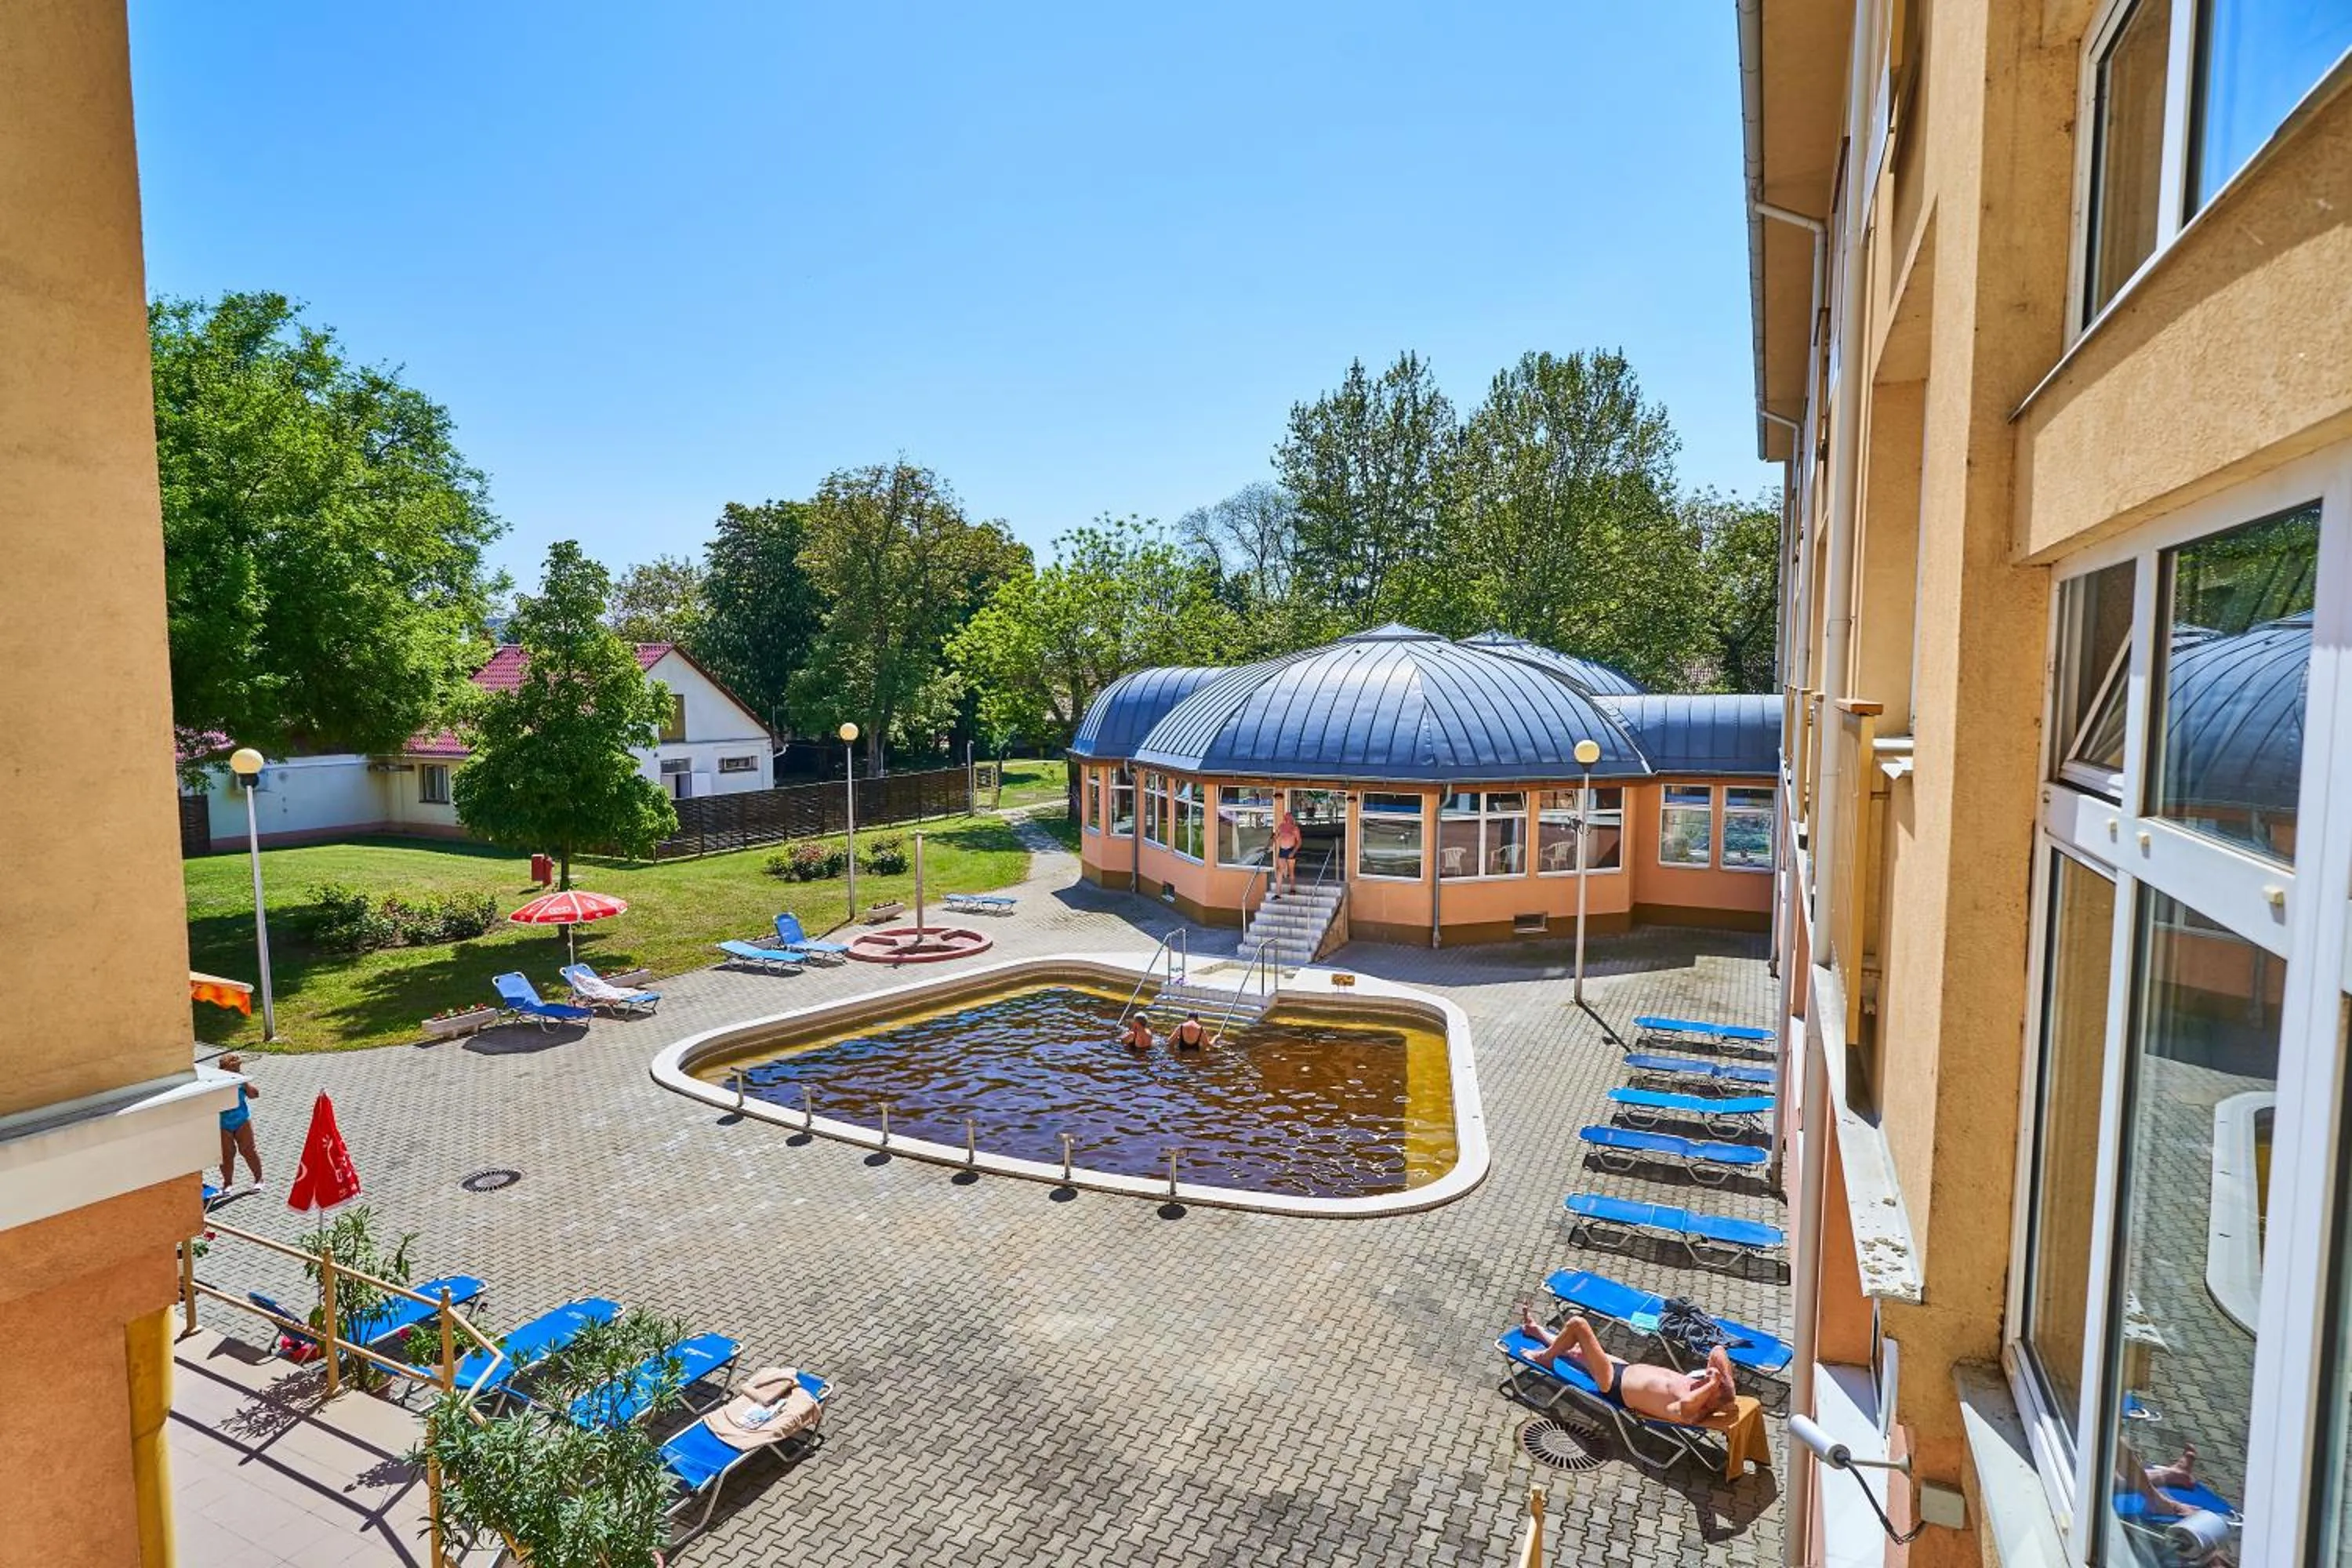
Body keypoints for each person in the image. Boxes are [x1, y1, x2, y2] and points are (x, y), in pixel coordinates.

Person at [1515, 1305, 1736, 1422]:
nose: (1705, 1378)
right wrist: (1720, 1381)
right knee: (1576, 1351)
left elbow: (1687, 1405)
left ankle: (1546, 1359)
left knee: (1578, 1325)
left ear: (1710, 1399)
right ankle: (1536, 1331)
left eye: (1709, 1385)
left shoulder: (1688, 1410)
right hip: (1625, 1369)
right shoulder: (1700, 1388)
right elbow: (1718, 1351)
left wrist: (1711, 1385)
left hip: (1614, 1385)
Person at [216, 1054, 263, 1196]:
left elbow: (255, 1095)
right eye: (233, 1068)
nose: (237, 1070)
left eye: (238, 1068)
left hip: (242, 1120)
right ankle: (227, 1184)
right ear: (224, 1069)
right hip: (223, 1123)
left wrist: (244, 1082)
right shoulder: (216, 1081)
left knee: (248, 1150)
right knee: (226, 1155)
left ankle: (259, 1179)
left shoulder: (240, 1080)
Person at [1272, 809, 1303, 892]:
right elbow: (1275, 837)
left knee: (1291, 871)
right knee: (1280, 871)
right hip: (1282, 850)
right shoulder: (1281, 826)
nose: (1287, 818)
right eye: (1286, 817)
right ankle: (1278, 892)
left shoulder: (1295, 829)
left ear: (1292, 818)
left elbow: (1299, 842)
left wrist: (1293, 852)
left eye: (1289, 817)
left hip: (1291, 850)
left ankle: (1292, 888)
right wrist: (1271, 842)